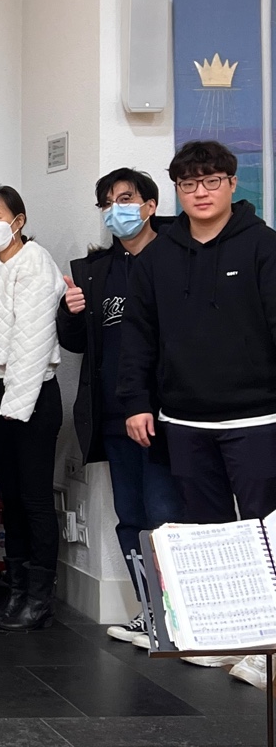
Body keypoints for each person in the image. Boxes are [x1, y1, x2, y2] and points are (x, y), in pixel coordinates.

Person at [120, 140, 276, 523]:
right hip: (184, 422)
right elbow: (138, 335)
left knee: (268, 533)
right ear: (176, 190)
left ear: (233, 183)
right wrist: (136, 402)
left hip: (257, 421)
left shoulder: (264, 246)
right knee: (208, 538)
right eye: (188, 184)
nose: (200, 192)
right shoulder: (156, 257)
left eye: (211, 181)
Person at [57, 168, 181, 647]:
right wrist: (69, 310)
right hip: (112, 412)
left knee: (165, 516)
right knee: (129, 516)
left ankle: (180, 622)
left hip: (162, 414)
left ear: (150, 204)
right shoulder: (97, 269)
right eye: (106, 202)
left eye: (125, 198)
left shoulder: (176, 258)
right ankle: (151, 615)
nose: (116, 209)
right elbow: (76, 344)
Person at [0, 185, 65, 631]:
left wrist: (17, 405)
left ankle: (39, 597)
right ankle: (16, 589)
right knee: (9, 495)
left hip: (31, 394)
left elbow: (33, 342)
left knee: (33, 498)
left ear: (19, 221)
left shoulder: (36, 263)